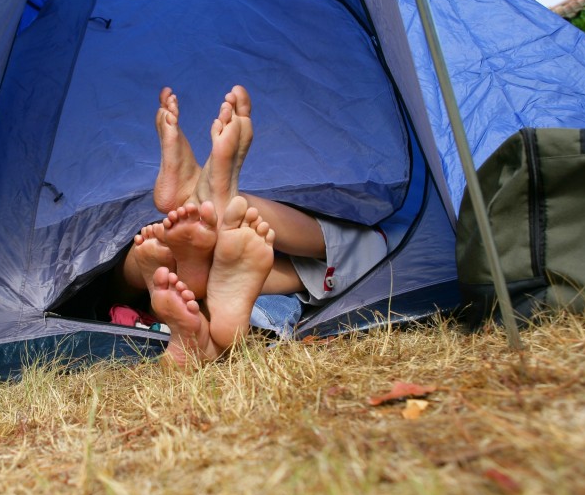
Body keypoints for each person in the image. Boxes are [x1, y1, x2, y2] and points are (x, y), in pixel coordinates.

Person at [117, 85, 387, 368]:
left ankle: (209, 216)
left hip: (147, 293)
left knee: (150, 267)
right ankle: (216, 209)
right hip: (229, 289)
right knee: (368, 247)